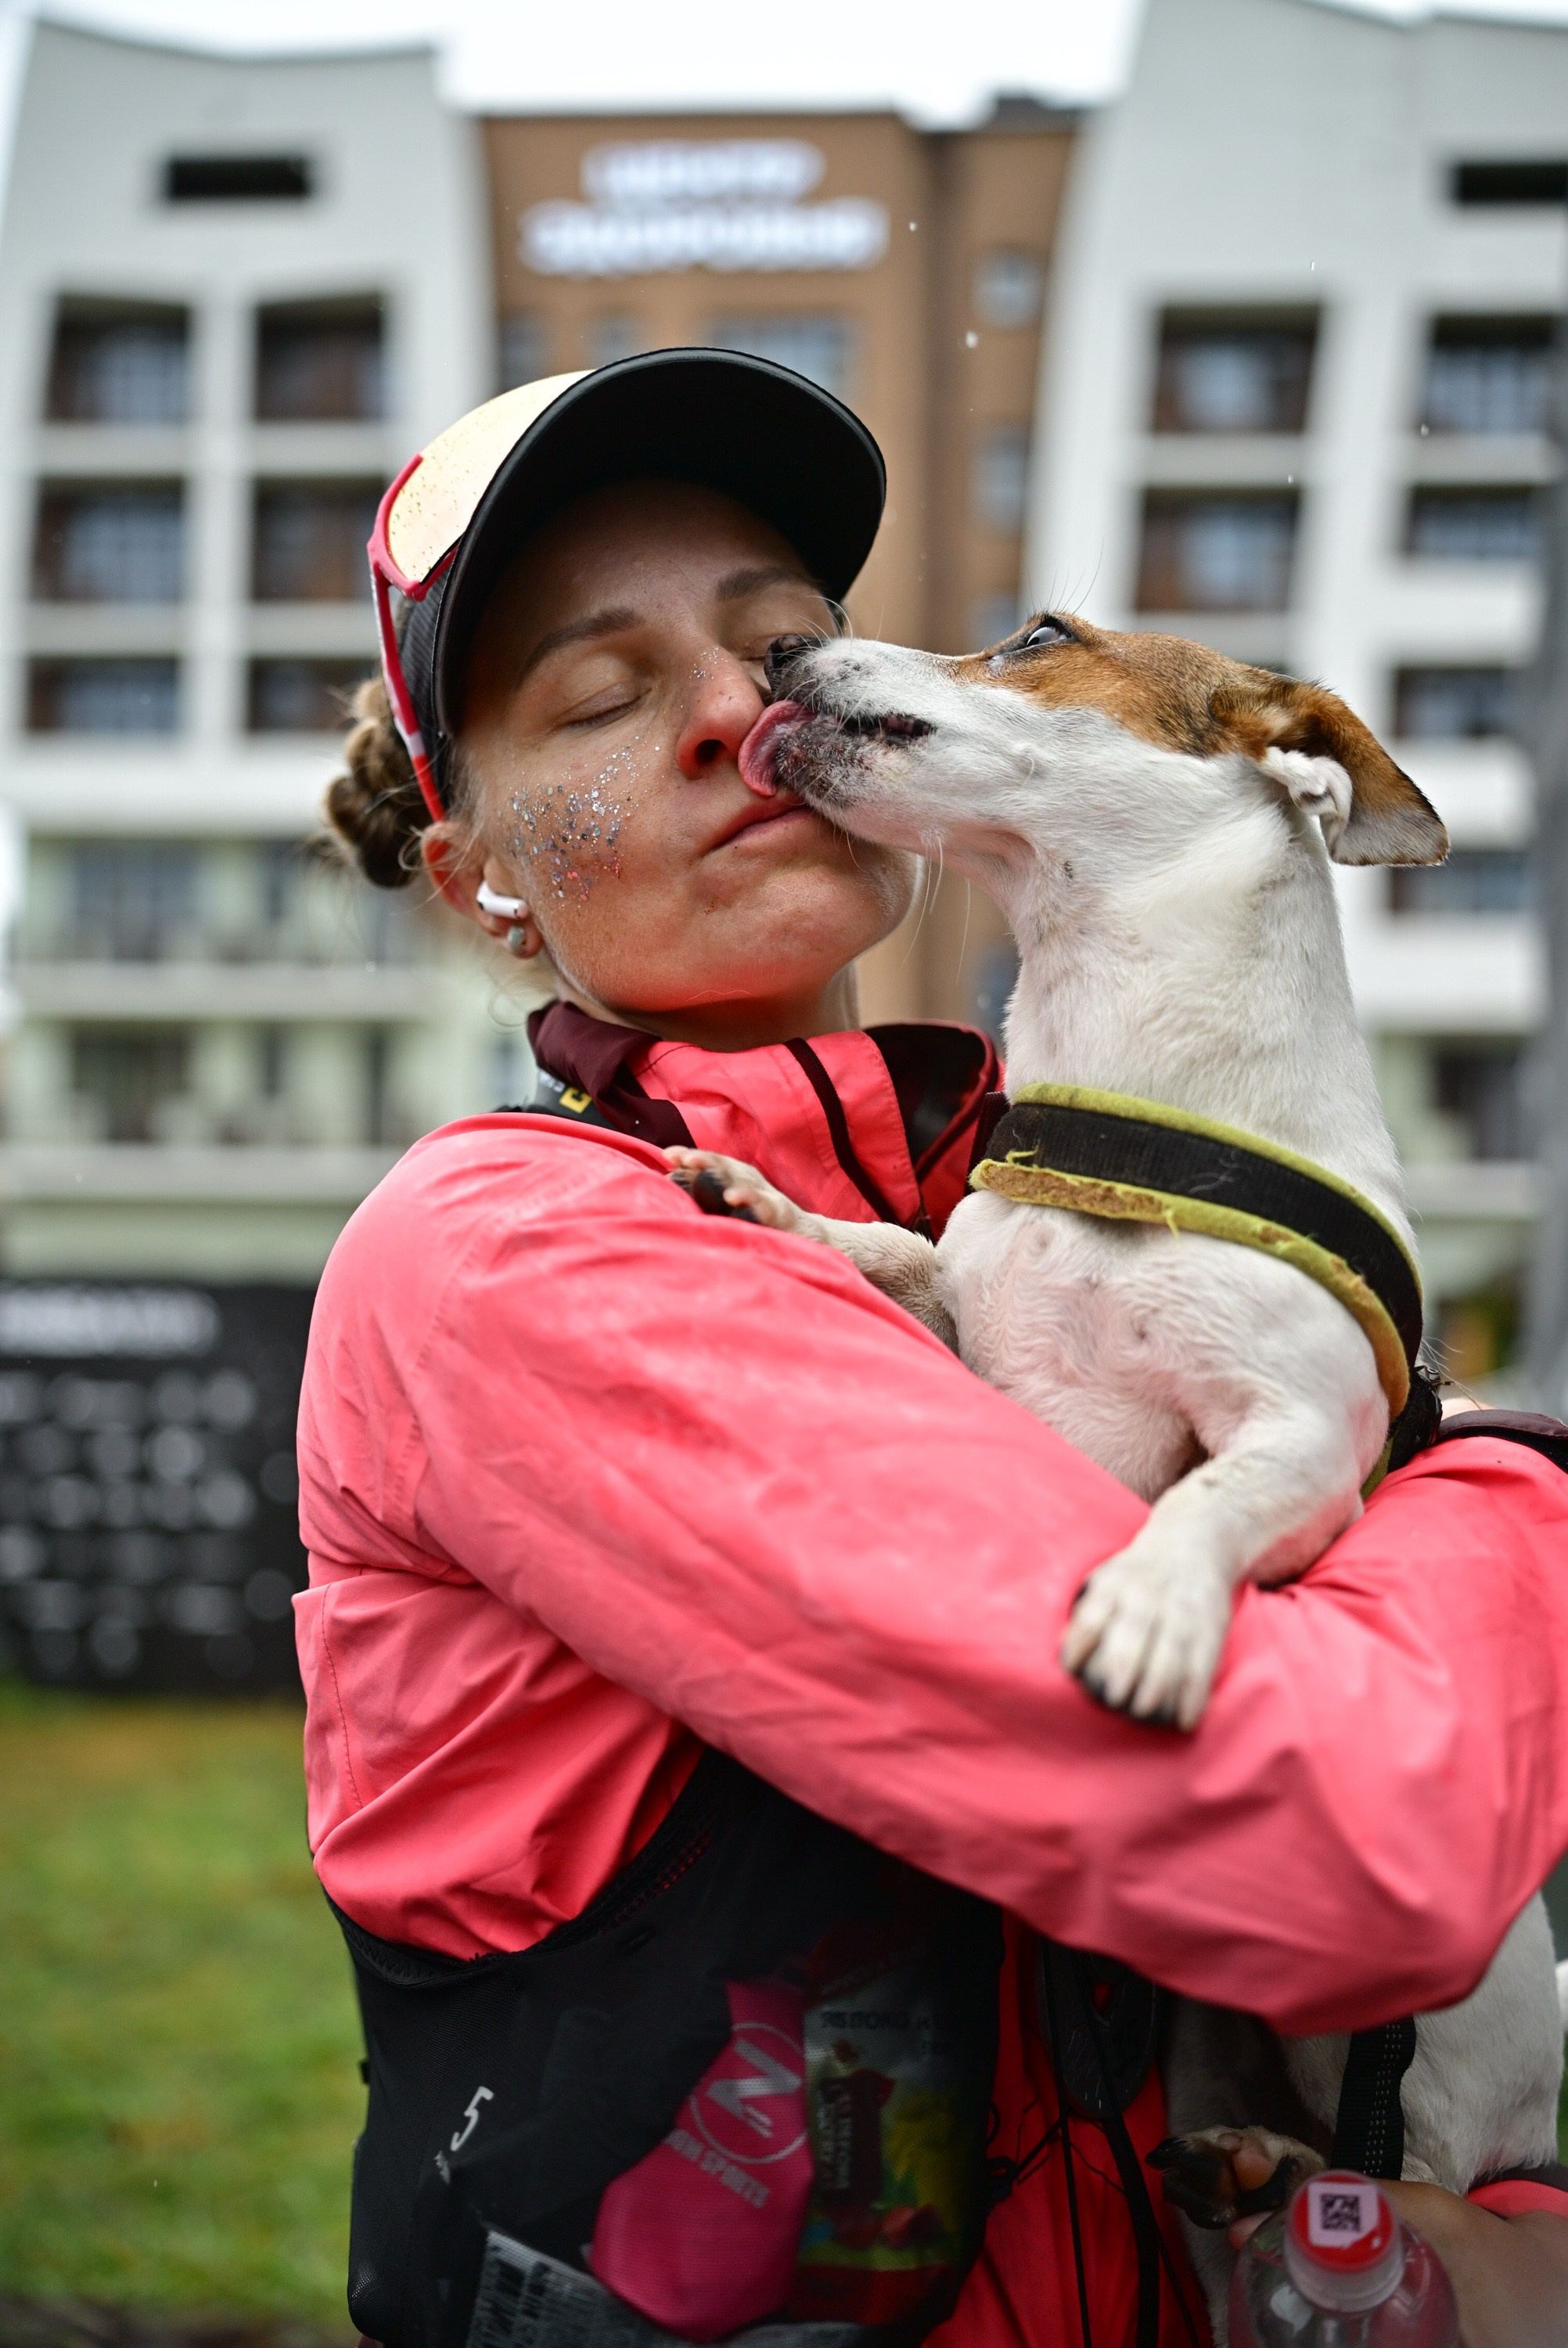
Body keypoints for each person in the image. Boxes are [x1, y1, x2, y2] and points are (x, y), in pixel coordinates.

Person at [297, 351, 1568, 2348]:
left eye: (783, 641)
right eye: (606, 696)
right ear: (476, 873)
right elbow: (1354, 1849)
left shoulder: (1024, 1196)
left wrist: (1492, 2214)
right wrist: (1512, 1481)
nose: (741, 711)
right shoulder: (521, 1259)